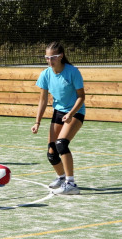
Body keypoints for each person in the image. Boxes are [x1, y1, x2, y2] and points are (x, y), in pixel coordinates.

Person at [30, 41, 85, 195]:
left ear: (61, 56)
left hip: (76, 111)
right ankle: (61, 177)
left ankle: (71, 184)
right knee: (52, 152)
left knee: (61, 144)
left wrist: (71, 114)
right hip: (59, 113)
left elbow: (81, 97)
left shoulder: (73, 72)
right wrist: (37, 122)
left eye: (52, 57)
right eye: (46, 58)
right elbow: (42, 100)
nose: (49, 61)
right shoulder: (46, 74)